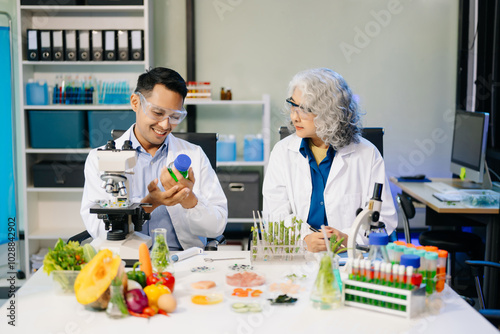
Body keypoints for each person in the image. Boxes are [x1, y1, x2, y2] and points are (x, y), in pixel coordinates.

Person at [81, 67, 228, 250]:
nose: (165, 125)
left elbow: (217, 226)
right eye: (158, 113)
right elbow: (99, 230)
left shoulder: (194, 155)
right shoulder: (100, 158)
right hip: (124, 258)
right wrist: (152, 202)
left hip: (182, 260)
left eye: (174, 116)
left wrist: (188, 199)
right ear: (135, 102)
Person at [262, 68, 397, 253]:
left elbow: (385, 218)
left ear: (329, 112)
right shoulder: (282, 152)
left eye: (304, 110)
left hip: (350, 257)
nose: (294, 116)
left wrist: (349, 238)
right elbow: (273, 214)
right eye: (293, 105)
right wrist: (304, 239)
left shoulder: (367, 154)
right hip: (300, 255)